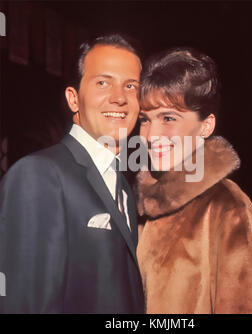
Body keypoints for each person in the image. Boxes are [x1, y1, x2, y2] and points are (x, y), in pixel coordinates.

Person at [0, 34, 144, 313]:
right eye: (103, 82)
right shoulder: (38, 175)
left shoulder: (124, 186)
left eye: (130, 86)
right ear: (73, 98)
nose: (119, 98)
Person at [136, 48, 252, 314]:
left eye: (168, 118)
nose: (151, 135)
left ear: (206, 126)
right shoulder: (140, 207)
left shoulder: (229, 210)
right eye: (145, 120)